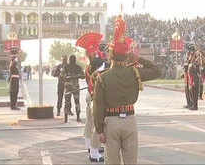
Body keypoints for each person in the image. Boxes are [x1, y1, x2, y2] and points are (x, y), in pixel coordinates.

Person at [93, 15, 161, 165]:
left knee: (112, 162)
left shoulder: (102, 77)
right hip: (130, 120)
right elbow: (157, 71)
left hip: (111, 123)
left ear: (111, 55)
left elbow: (98, 106)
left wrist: (99, 130)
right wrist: (136, 58)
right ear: (126, 55)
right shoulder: (134, 73)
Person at [76, 32, 107, 162]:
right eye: (98, 47)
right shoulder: (99, 62)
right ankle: (94, 152)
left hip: (90, 94)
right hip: (97, 96)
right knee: (97, 124)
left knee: (89, 122)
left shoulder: (89, 64)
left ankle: (89, 146)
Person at [62, 55, 85, 123]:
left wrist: (73, 76)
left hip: (70, 87)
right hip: (73, 87)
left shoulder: (67, 67)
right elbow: (63, 76)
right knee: (75, 102)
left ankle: (69, 118)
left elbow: (83, 76)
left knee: (69, 102)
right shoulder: (75, 67)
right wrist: (75, 76)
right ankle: (75, 117)